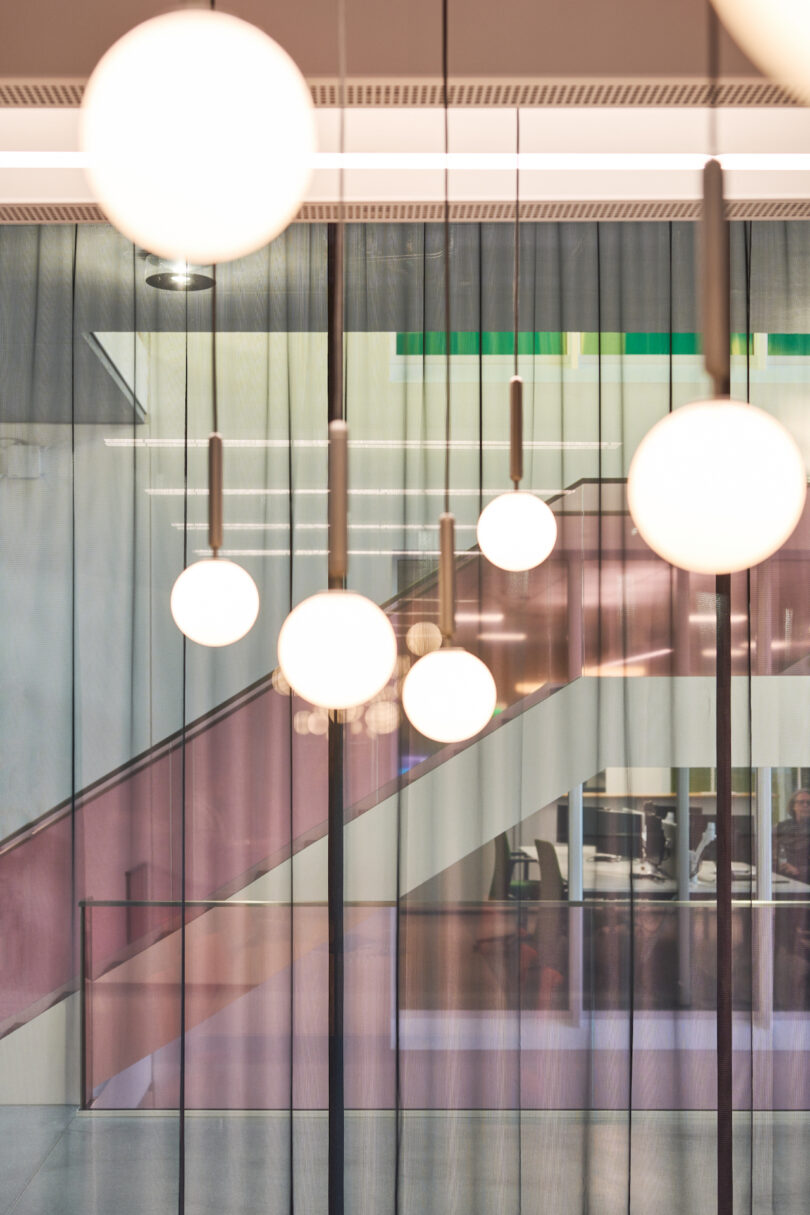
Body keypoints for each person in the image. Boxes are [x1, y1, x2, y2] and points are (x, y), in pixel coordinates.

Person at [775, 789, 810, 884]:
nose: (805, 805)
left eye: (808, 803)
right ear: (793, 806)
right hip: (782, 879)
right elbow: (771, 853)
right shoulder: (782, 827)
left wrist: (798, 870)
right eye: (801, 802)